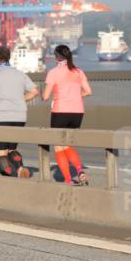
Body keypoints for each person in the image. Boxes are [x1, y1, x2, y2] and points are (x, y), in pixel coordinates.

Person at [0, 46, 38, 178]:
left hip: (1, 117)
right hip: (20, 117)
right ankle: (20, 168)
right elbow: (35, 91)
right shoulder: (20, 74)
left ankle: (13, 174)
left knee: (1, 152)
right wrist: (20, 99)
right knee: (12, 149)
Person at [43, 44, 91, 186]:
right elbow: (88, 92)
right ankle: (80, 171)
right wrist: (75, 96)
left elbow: (45, 96)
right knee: (67, 144)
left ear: (56, 57)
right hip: (77, 113)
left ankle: (69, 180)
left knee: (59, 146)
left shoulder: (53, 72)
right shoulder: (78, 71)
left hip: (60, 111)